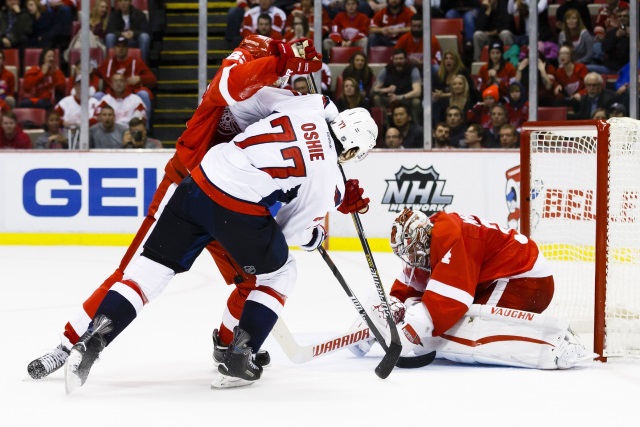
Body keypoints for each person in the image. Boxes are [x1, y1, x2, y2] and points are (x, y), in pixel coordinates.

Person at [26, 35, 324, 381]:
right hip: (186, 191)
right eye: (277, 74)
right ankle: (68, 345)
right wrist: (280, 61)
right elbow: (233, 82)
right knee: (134, 272)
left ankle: (230, 348)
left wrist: (336, 188)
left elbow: (304, 148)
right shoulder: (232, 75)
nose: (281, 82)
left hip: (232, 204)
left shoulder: (274, 101)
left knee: (256, 279)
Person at [64, 94, 377, 392]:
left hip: (199, 182)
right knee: (281, 273)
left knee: (147, 275)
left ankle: (93, 337)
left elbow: (259, 105)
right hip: (237, 211)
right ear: (352, 152)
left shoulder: (311, 106)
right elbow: (290, 233)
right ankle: (241, 354)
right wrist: (319, 231)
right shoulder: (326, 180)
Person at [350, 208, 595, 370]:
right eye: (407, 255)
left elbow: (444, 308)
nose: (412, 259)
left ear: (423, 239)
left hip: (526, 281)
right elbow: (408, 287)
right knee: (441, 330)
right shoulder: (429, 238)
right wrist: (380, 317)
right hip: (500, 278)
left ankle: (556, 344)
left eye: (413, 251)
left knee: (467, 333)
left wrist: (407, 332)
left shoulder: (451, 239)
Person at [92, 35, 157, 119]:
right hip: (111, 96)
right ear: (114, 48)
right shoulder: (108, 64)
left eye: (123, 46)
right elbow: (94, 75)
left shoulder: (136, 63)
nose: (120, 49)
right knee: (97, 95)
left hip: (130, 95)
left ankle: (145, 128)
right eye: (118, 46)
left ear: (127, 48)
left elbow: (153, 79)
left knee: (144, 94)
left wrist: (140, 78)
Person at [372, 48, 422, 124]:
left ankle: (416, 126)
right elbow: (374, 89)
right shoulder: (387, 69)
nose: (398, 61)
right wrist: (386, 90)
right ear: (392, 59)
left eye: (401, 58)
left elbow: (417, 92)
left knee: (416, 102)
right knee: (377, 98)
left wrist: (399, 97)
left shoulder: (413, 70)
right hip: (390, 99)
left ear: (405, 59)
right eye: (396, 59)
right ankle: (386, 125)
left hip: (406, 99)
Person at [553, 43, 588, 112]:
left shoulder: (580, 68)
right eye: (561, 54)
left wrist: (580, 94)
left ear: (571, 56)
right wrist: (557, 86)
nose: (563, 56)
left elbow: (588, 86)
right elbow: (556, 83)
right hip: (568, 99)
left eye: (566, 53)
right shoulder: (559, 71)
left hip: (581, 98)